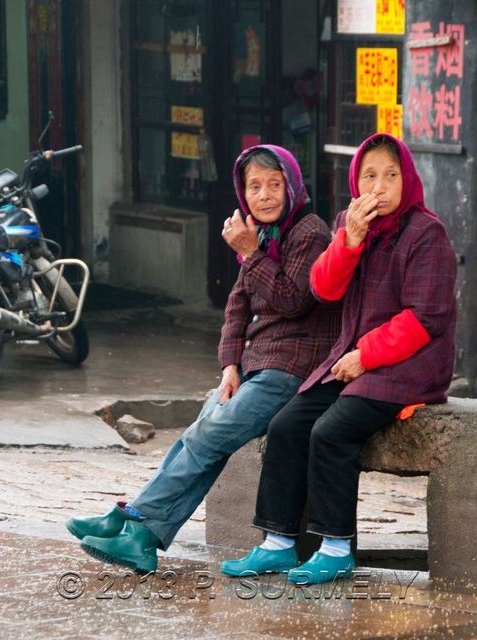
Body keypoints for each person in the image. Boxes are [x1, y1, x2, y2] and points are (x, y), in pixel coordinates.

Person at [66, 144, 341, 573]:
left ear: (292, 186)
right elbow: (236, 306)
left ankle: (137, 526)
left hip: (291, 370)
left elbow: (292, 302)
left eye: (274, 184)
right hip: (253, 367)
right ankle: (135, 525)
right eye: (254, 186)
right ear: (242, 192)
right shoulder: (260, 233)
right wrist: (230, 365)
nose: (265, 195)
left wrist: (251, 254)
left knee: (205, 438)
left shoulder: (309, 233)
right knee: (200, 433)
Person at [220, 133, 457, 584]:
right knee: (286, 425)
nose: (380, 187)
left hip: (409, 365)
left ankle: (334, 548)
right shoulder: (350, 223)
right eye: (370, 176)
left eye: (391, 176)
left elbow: (427, 318)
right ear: (356, 181)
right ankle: (278, 542)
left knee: (330, 432)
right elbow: (324, 289)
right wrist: (351, 241)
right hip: (351, 359)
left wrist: (365, 356)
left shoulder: (428, 233)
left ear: (407, 180)